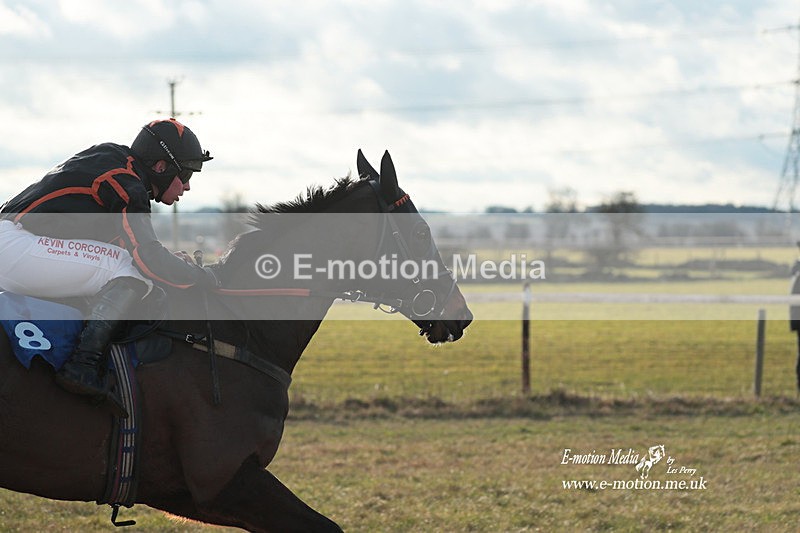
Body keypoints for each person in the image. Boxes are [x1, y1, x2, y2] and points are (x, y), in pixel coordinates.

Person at [0, 118, 219, 416]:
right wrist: (203, 277)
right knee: (126, 268)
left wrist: (169, 261)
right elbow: (146, 259)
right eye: (187, 174)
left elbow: (125, 245)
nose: (188, 186)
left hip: (15, 243)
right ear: (161, 167)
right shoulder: (127, 182)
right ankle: (83, 365)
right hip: (14, 246)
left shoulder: (116, 161)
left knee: (122, 263)